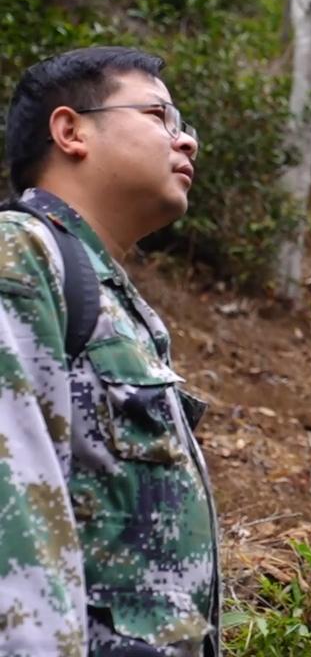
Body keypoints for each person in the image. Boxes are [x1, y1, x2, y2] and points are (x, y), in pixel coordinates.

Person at [0, 47, 219, 656]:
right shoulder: (23, 257)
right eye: (159, 116)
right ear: (71, 131)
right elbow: (11, 495)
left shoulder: (111, 297)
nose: (187, 143)